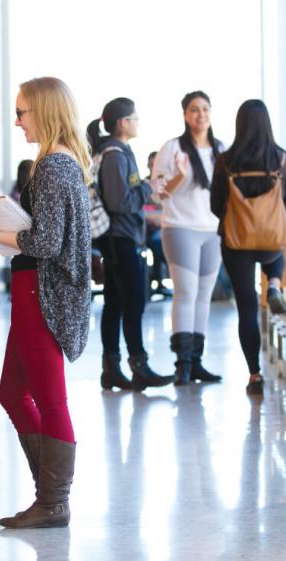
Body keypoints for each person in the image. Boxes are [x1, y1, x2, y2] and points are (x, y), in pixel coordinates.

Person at [0, 76, 92, 528]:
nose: (17, 121)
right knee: (11, 392)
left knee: (49, 398)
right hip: (32, 290)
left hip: (42, 292)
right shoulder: (59, 163)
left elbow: (46, 241)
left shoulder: (55, 167)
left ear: (46, 112)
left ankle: (54, 501)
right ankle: (49, 494)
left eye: (23, 112)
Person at [210, 99, 286, 396]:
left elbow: (214, 205)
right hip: (270, 244)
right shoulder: (281, 160)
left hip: (236, 244)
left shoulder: (225, 161)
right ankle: (274, 283)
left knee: (247, 308)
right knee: (276, 247)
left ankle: (255, 375)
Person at [88, 98, 173, 391]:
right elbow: (119, 201)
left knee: (116, 302)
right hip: (119, 238)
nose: (138, 123)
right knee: (133, 301)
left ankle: (112, 368)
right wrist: (148, 188)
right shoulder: (114, 155)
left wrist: (146, 188)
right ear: (123, 122)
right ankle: (138, 365)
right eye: (135, 118)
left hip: (119, 238)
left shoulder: (118, 152)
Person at [152, 91, 226, 385]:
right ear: (185, 114)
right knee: (185, 293)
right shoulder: (172, 149)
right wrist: (180, 175)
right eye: (194, 109)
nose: (201, 114)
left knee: (204, 296)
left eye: (205, 109)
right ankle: (182, 364)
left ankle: (196, 361)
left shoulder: (221, 149)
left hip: (213, 232)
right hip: (180, 227)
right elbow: (157, 193)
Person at [144, 151, 169, 299]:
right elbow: (144, 211)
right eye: (152, 164)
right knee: (158, 242)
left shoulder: (169, 184)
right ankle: (157, 280)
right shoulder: (145, 185)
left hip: (167, 227)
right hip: (150, 230)